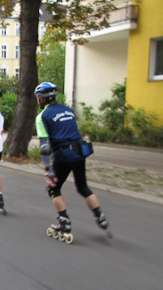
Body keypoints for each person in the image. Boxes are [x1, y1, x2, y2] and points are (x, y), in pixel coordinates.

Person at [35, 82, 110, 242]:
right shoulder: (68, 110)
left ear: (41, 99)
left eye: (38, 97)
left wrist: (48, 168)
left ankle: (64, 223)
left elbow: (45, 145)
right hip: (79, 153)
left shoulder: (42, 116)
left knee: (54, 189)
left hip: (64, 156)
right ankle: (100, 216)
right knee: (83, 187)